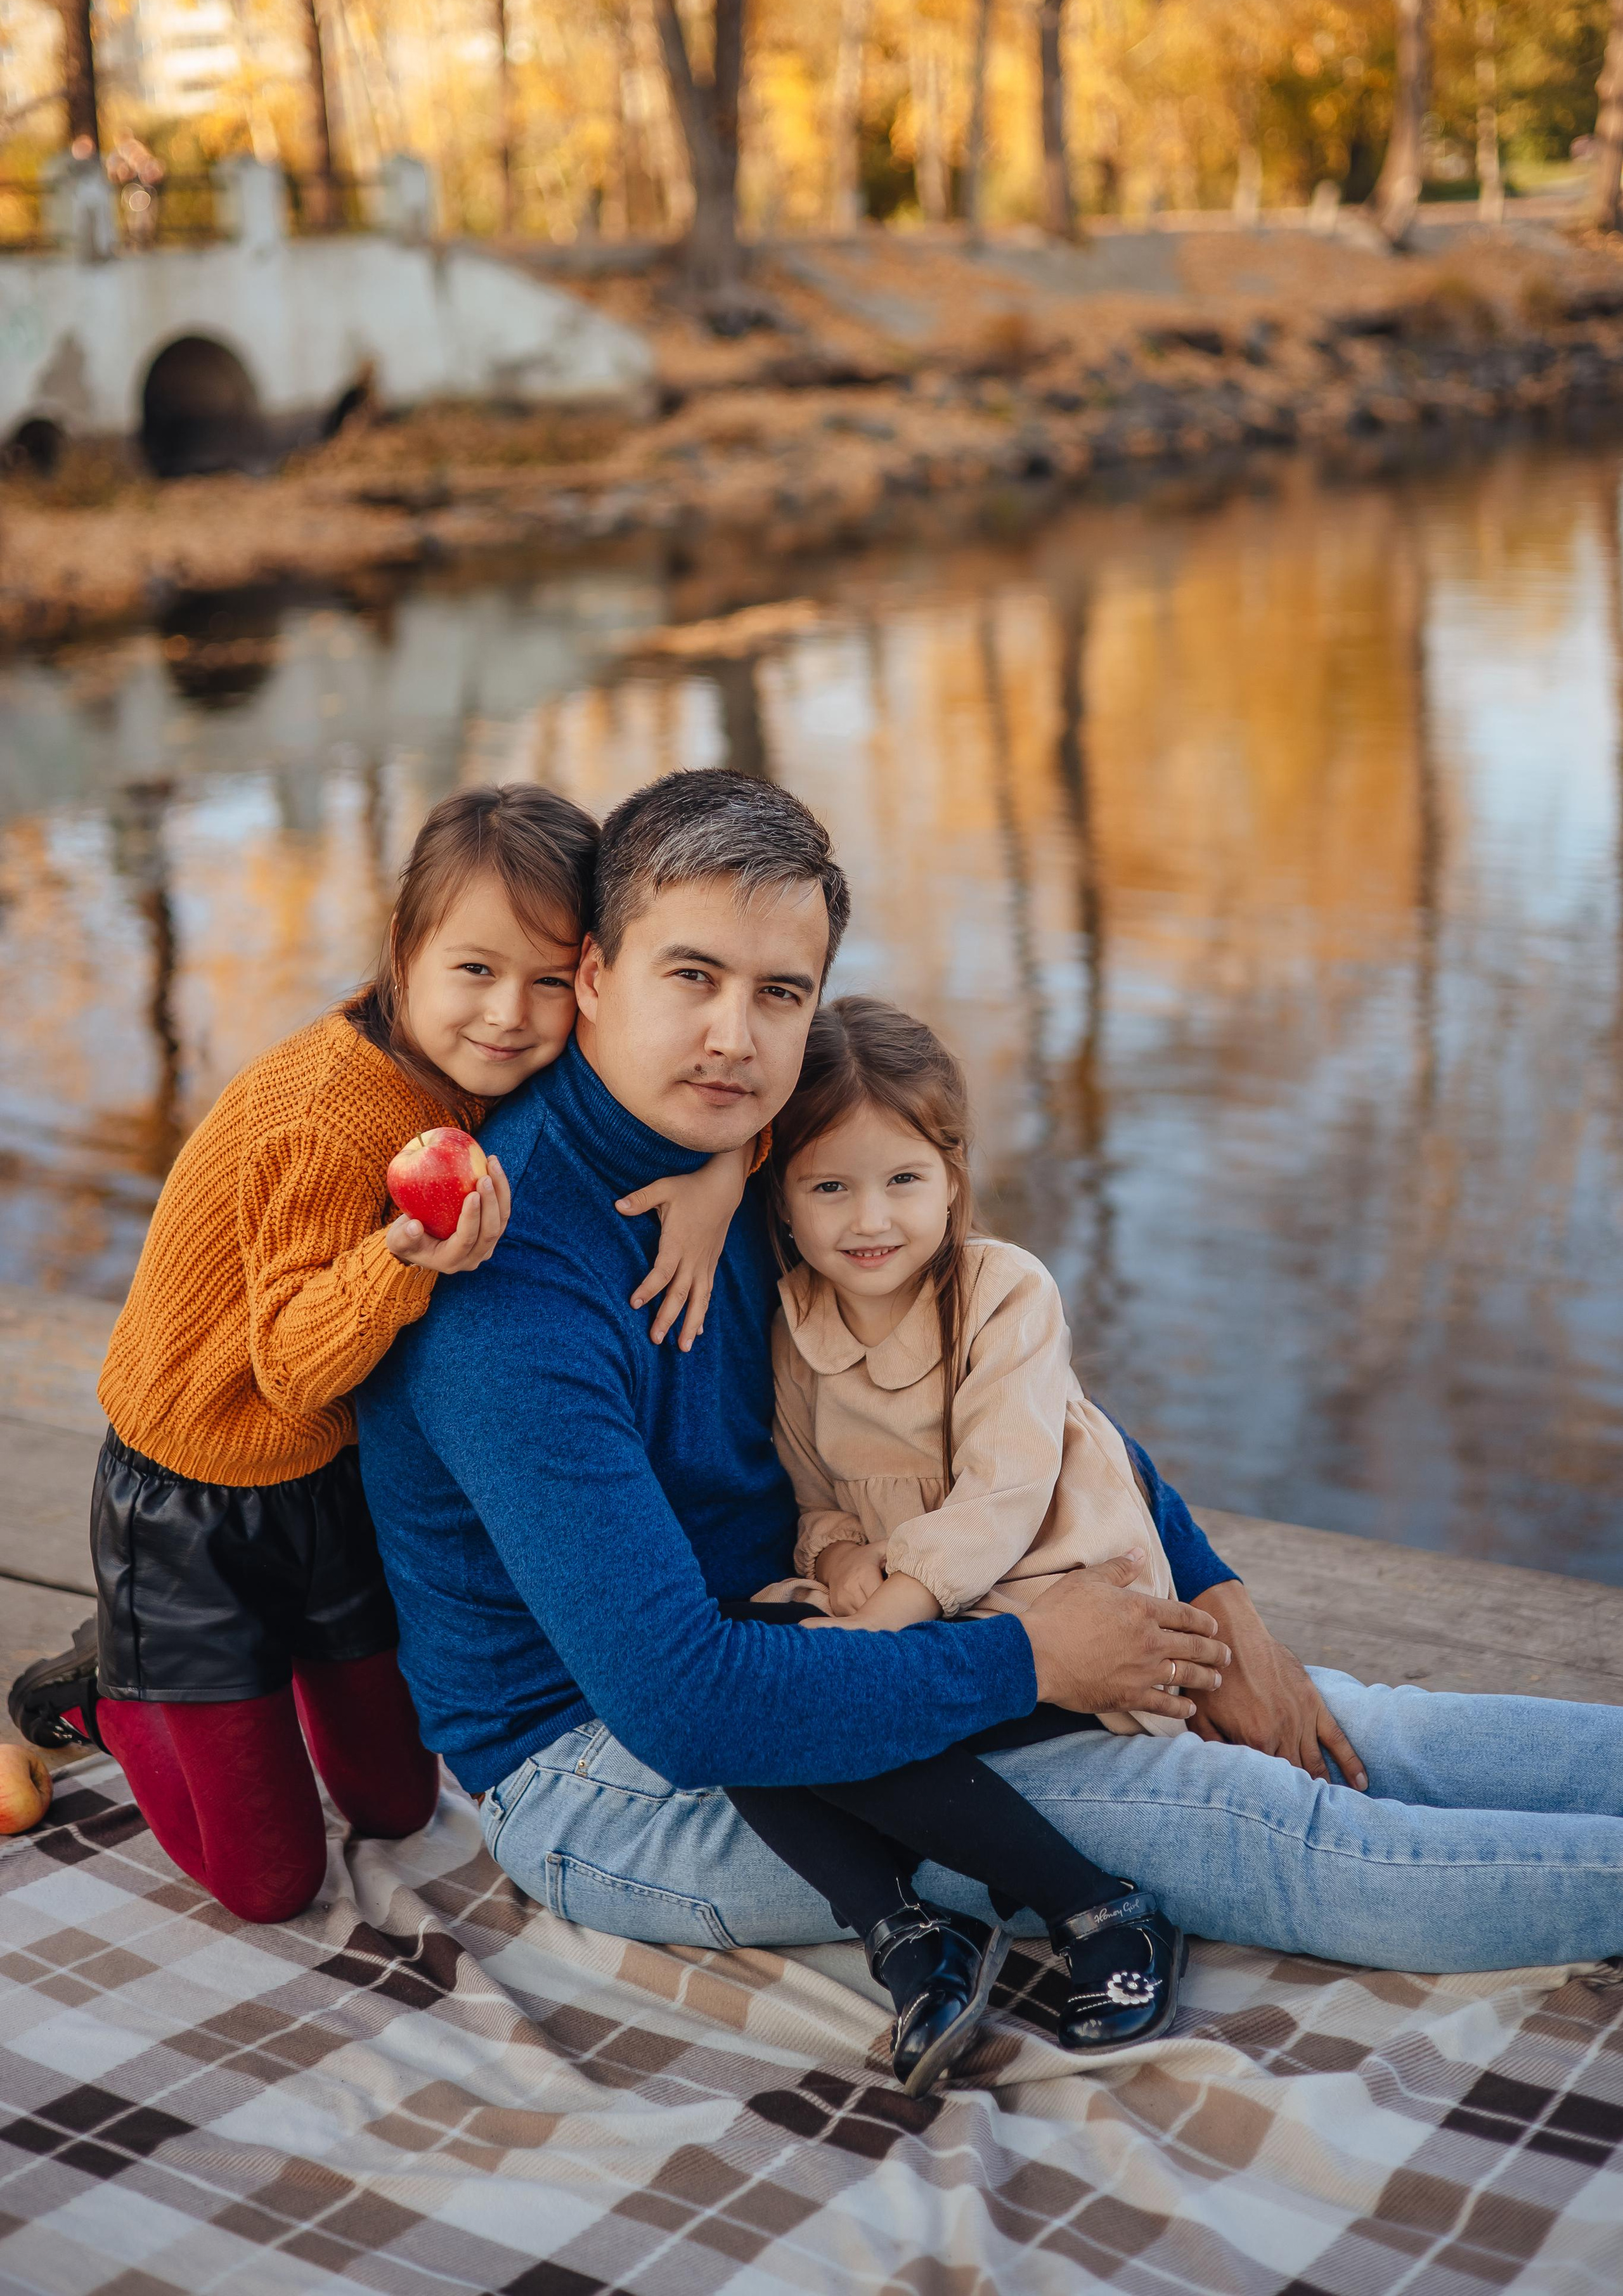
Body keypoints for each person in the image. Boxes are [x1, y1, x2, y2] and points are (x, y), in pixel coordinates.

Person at [356, 765, 1621, 2021]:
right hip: (610, 1764)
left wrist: (1218, 1608)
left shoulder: (766, 1160)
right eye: (690, 977)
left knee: (1342, 1725)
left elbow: (1007, 1392)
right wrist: (1025, 1660)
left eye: (778, 992)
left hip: (842, 1624)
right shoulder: (505, 1282)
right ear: (593, 978)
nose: (733, 1036)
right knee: (1237, 1818)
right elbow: (684, 1705)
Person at [8, 784, 750, 1923]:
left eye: (551, 981)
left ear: (593, 981)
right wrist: (409, 1259)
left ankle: (225, 1701)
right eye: (476, 970)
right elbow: (292, 1368)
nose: (510, 1013)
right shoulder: (325, 1117)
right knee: (272, 1886)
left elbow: (775, 1059)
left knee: (400, 1806)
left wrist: (722, 1169)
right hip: (193, 1495)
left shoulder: (495, 1066)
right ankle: (112, 1688)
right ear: (403, 952)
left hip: (328, 1482)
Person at [725, 995, 1201, 2093]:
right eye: (828, 1186)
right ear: (783, 1202)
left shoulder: (1003, 1292)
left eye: (902, 1179)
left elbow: (1003, 1493)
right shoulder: (794, 1322)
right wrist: (845, 1570)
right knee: (734, 1675)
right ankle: (904, 1935)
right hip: (915, 1613)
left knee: (834, 1699)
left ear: (949, 1176)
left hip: (1056, 1608)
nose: (869, 1217)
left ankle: (1101, 1910)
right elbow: (815, 1495)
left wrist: (886, 1627)